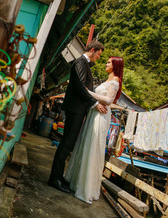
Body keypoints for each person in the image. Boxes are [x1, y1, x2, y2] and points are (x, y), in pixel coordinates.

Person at [48, 40, 107, 193]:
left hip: (77, 109)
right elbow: (80, 87)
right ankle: (54, 179)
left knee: (68, 144)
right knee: (66, 144)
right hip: (75, 109)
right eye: (98, 55)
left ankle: (58, 177)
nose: (98, 58)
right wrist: (95, 103)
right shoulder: (81, 62)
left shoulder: (84, 63)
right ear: (92, 50)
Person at [64, 56, 124, 204]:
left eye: (109, 62)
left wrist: (88, 92)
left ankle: (87, 187)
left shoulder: (115, 80)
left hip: (101, 115)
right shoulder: (108, 80)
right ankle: (78, 181)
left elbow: (109, 100)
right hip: (94, 113)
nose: (106, 63)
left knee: (92, 147)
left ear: (115, 65)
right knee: (86, 144)